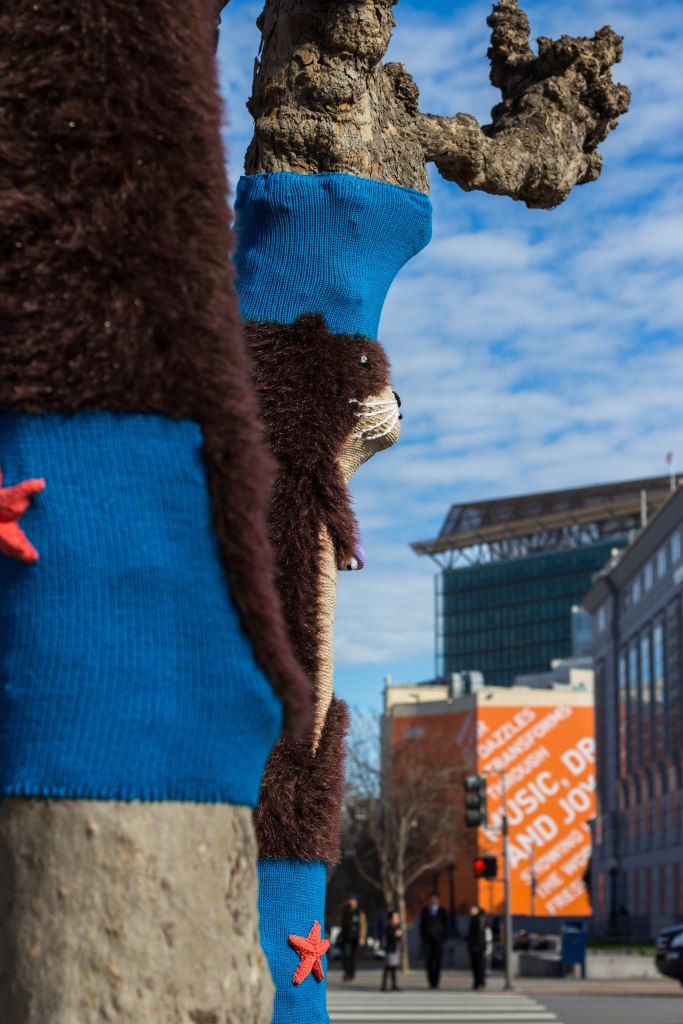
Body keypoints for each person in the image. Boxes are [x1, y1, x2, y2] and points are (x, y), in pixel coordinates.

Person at [420, 893, 449, 989]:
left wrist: (443, 938)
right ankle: (430, 981)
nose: (433, 901)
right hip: (428, 941)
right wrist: (423, 938)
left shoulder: (442, 911)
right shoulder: (425, 911)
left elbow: (446, 926)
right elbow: (422, 926)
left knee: (437, 962)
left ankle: (436, 982)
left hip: (438, 941)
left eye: (435, 899)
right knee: (429, 962)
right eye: (431, 899)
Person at [340, 895, 367, 981]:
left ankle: (351, 974)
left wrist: (362, 937)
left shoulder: (360, 912)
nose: (351, 902)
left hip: (355, 937)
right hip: (346, 936)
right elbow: (343, 924)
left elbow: (363, 925)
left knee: (352, 956)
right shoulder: (346, 910)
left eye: (352, 900)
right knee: (345, 955)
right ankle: (346, 972)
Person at [381, 910, 402, 991]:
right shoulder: (388, 927)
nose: (396, 920)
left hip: (396, 949)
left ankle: (394, 985)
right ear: (390, 919)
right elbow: (391, 938)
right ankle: (384, 985)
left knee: (394, 968)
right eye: (394, 918)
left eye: (397, 918)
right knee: (387, 967)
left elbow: (399, 939)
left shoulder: (397, 927)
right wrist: (396, 935)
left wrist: (398, 935)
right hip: (390, 949)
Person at [467, 904, 486, 990]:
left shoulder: (479, 919)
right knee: (475, 965)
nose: (471, 911)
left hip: (478, 946)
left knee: (479, 965)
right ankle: (477, 983)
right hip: (474, 945)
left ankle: (480, 983)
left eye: (472, 909)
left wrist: (477, 945)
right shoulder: (473, 919)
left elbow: (479, 933)